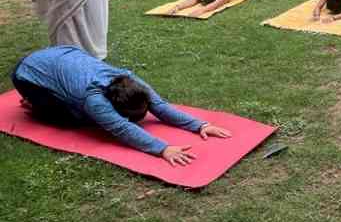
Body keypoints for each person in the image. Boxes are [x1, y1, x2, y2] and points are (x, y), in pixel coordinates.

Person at [11, 46, 232, 166]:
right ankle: (36, 103)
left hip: (62, 53)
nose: (145, 117)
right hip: (27, 74)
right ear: (112, 106)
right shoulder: (94, 100)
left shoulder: (130, 79)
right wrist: (163, 148)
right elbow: (122, 128)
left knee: (85, 112)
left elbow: (161, 106)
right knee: (74, 120)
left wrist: (200, 125)